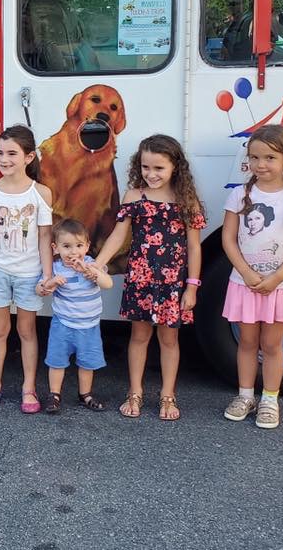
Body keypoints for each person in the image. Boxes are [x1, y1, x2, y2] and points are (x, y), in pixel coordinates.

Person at [96, 134, 206, 421]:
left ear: (175, 167)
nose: (151, 174)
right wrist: (98, 264)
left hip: (172, 284)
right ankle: (135, 392)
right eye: (146, 167)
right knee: (139, 336)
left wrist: (192, 286)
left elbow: (194, 246)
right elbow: (119, 234)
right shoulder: (134, 196)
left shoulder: (186, 200)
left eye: (159, 168)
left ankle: (167, 395)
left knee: (169, 340)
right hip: (140, 280)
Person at [221, 124, 283, 429]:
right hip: (244, 283)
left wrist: (276, 277)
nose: (261, 165)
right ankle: (245, 395)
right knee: (247, 341)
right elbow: (228, 239)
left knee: (272, 344)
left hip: (280, 285)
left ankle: (270, 400)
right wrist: (246, 272)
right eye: (254, 157)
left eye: (270, 157)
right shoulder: (239, 194)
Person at [0, 125, 53, 413]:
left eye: (11, 154)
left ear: (29, 157)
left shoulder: (41, 193)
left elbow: (45, 238)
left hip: (29, 273)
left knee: (27, 330)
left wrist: (46, 275)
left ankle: (28, 388)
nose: (3, 159)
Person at [40, 219, 113, 414]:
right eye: (66, 246)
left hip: (89, 326)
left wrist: (92, 272)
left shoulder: (91, 265)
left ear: (88, 246)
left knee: (87, 363)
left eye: (79, 246)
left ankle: (85, 394)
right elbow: (40, 289)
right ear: (55, 248)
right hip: (62, 324)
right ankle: (54, 394)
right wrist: (51, 283)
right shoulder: (54, 268)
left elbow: (108, 284)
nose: (74, 252)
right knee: (56, 361)